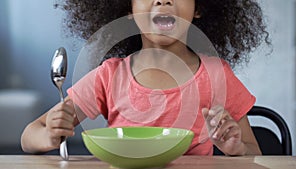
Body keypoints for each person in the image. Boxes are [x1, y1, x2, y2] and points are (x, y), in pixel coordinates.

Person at [21, 0, 271, 156]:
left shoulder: (216, 75)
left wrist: (236, 149)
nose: (163, 1)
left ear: (199, 7)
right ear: (128, 8)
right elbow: (29, 134)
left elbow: (253, 151)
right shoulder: (109, 76)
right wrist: (50, 135)